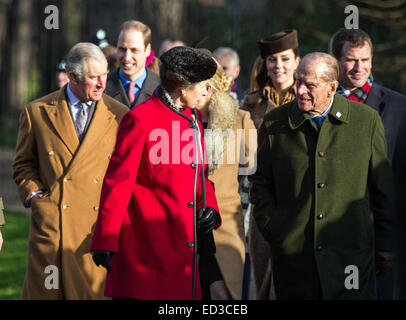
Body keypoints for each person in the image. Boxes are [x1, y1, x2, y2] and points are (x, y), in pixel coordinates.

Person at [250, 52, 395, 299]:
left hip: (350, 262)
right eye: (298, 81)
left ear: (332, 88)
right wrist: (276, 229)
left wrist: (385, 244)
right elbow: (260, 183)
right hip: (295, 263)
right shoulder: (276, 123)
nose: (300, 90)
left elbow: (382, 190)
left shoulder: (365, 121)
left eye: (310, 85)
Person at [90, 46, 221, 300]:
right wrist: (105, 240)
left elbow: (200, 176)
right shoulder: (139, 120)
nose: (208, 90)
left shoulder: (191, 118)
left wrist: (210, 208)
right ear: (182, 90)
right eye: (203, 85)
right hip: (146, 252)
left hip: (182, 250)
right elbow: (117, 183)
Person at [12, 42, 128, 299]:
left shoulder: (119, 115)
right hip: (53, 230)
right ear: (73, 77)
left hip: (94, 233)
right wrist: (37, 198)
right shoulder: (37, 112)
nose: (101, 83)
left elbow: (125, 175)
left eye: (105, 75)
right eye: (94, 77)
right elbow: (23, 165)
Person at [329, 28, 406, 299]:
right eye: (351, 59)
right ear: (335, 60)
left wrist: (390, 239)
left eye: (365, 59)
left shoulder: (398, 107)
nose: (359, 68)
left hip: (378, 239)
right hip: (327, 238)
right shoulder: (320, 104)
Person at [242, 29, 300, 300]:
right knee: (261, 279)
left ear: (297, 61)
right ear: (264, 64)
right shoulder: (251, 104)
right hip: (261, 201)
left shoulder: (305, 100)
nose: (279, 66)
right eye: (273, 60)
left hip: (297, 200)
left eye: (285, 59)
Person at [195, 58, 256, 300]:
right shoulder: (177, 120)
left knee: (222, 294)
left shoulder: (239, 119)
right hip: (185, 229)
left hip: (224, 228)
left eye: (204, 83)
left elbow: (255, 172)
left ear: (214, 85)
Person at [105, 20, 160, 108]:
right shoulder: (103, 87)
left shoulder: (162, 88)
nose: (127, 57)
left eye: (134, 50)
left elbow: (176, 121)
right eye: (122, 49)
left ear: (148, 50)